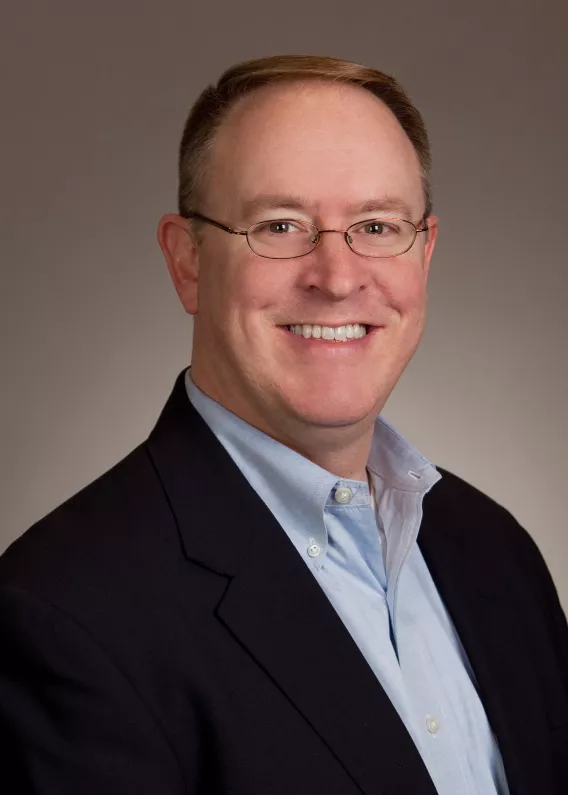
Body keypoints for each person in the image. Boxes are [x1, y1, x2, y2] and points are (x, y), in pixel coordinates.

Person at [0, 54, 566, 795]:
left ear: (424, 254)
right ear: (187, 261)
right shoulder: (65, 610)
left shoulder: (496, 553)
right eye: (280, 225)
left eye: (376, 225)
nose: (336, 276)